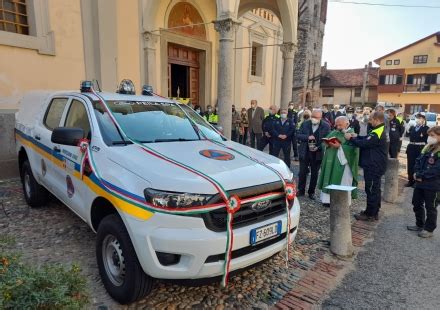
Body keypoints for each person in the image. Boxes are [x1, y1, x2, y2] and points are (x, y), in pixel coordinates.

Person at [345, 111, 387, 221]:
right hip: (375, 164)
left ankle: (370, 214)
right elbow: (367, 139)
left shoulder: (378, 132)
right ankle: (374, 211)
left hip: (374, 165)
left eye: (371, 120)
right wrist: (357, 136)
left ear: (377, 120)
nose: (369, 121)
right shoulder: (377, 130)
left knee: (371, 189)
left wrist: (351, 138)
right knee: (375, 189)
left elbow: (365, 143)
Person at [318, 116, 360, 207]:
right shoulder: (334, 132)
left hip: (343, 164)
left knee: (343, 182)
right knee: (328, 179)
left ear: (347, 124)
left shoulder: (352, 134)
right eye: (336, 125)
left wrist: (340, 147)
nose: (338, 127)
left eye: (340, 125)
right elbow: (323, 143)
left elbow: (354, 150)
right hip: (331, 162)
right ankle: (327, 200)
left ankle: (343, 202)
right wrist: (326, 144)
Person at [407, 126, 440, 238]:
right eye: (429, 135)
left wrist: (421, 175)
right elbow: (418, 160)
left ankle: (429, 229)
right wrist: (416, 173)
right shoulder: (427, 147)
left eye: (432, 135)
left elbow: (436, 169)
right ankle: (419, 224)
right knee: (416, 203)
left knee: (431, 207)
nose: (430, 138)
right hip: (420, 182)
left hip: (433, 184)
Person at [297, 109, 331, 200]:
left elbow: (326, 140)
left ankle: (311, 192)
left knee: (314, 174)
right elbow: (298, 135)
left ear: (320, 117)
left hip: (317, 153)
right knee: (302, 172)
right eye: (312, 117)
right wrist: (307, 137)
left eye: (316, 117)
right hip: (305, 151)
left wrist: (319, 147)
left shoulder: (326, 126)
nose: (313, 119)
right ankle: (301, 190)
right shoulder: (305, 124)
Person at [405, 113, 429, 187]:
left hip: (420, 148)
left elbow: (427, 140)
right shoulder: (412, 127)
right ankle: (410, 180)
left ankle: (416, 180)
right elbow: (407, 135)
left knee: (418, 164)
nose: (417, 119)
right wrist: (407, 126)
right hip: (411, 147)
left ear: (423, 119)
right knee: (410, 164)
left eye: (419, 118)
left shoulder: (426, 128)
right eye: (417, 117)